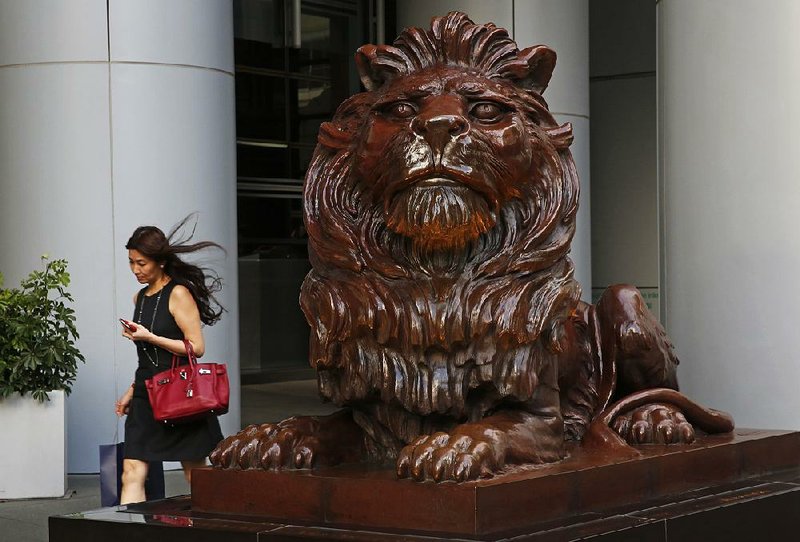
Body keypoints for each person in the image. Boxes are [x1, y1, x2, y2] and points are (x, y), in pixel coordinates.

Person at [114, 217, 225, 504]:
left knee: (194, 473)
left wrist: (150, 337)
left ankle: (209, 528)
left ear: (160, 262)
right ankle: (130, 535)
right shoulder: (139, 297)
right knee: (132, 471)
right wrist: (131, 390)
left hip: (180, 393)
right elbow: (149, 356)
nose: (135, 270)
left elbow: (196, 348)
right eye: (131, 262)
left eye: (142, 263)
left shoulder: (178, 293)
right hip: (145, 392)